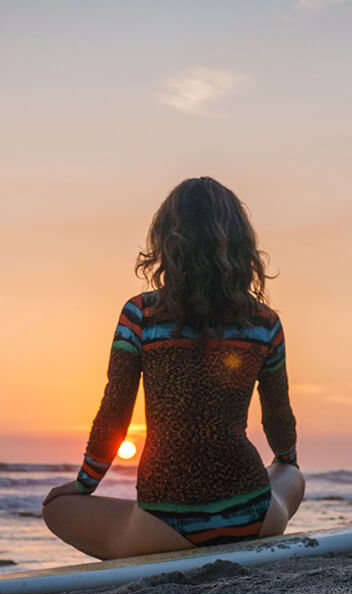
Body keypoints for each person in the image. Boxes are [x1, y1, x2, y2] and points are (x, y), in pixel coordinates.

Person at [42, 177, 304, 559]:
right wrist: (287, 460)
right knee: (291, 473)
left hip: (163, 528)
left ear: (165, 240)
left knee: (55, 508)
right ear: (241, 243)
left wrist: (85, 484)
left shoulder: (141, 315)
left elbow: (114, 412)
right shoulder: (264, 323)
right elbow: (278, 417)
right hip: (255, 518)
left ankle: (156, 531)